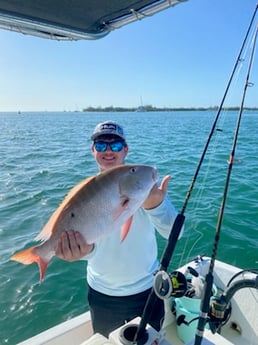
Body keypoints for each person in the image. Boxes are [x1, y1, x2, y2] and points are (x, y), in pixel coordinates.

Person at [55, 120, 183, 337]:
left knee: (151, 341)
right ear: (93, 150)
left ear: (126, 149)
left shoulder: (140, 183)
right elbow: (93, 247)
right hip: (102, 294)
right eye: (101, 145)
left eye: (115, 145)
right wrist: (82, 252)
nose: (108, 151)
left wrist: (156, 205)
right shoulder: (83, 193)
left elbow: (175, 233)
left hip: (147, 290)